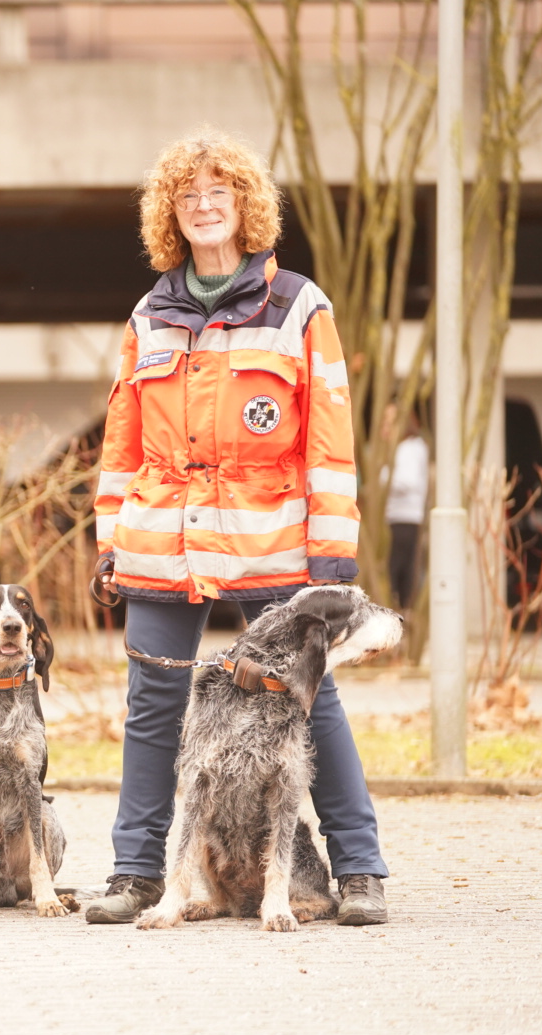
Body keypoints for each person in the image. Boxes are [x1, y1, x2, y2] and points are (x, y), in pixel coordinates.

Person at [87, 130, 390, 927]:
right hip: (162, 542)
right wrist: (108, 538)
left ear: (246, 206)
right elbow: (121, 438)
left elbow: (329, 435)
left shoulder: (299, 305)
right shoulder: (149, 314)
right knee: (154, 705)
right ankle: (135, 872)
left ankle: (360, 871)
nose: (204, 206)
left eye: (219, 193)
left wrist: (332, 554)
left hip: (273, 543)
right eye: (188, 197)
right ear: (171, 215)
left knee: (309, 704)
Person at [385, 407, 428, 609]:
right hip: (397, 517)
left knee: (398, 571)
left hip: (404, 518)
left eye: (388, 421)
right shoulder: (401, 448)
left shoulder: (410, 448)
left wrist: (383, 479)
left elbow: (407, 481)